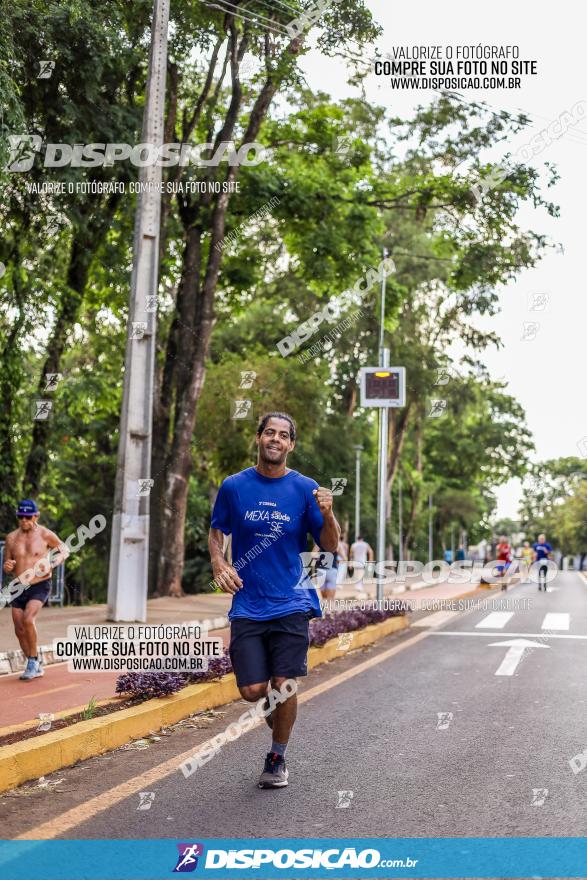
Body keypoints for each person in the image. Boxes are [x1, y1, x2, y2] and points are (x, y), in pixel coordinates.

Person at [208, 412, 340, 789]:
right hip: (248, 603)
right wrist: (219, 561)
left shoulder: (305, 488)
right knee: (252, 690)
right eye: (270, 432)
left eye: (284, 435)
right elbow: (217, 531)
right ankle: (274, 710)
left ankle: (277, 756)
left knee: (284, 684)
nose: (276, 440)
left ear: (291, 444)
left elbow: (329, 545)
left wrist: (328, 513)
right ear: (259, 438)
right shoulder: (234, 486)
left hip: (292, 601)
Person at [3, 499, 68, 680]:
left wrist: (53, 563)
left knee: (28, 619)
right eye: (20, 517)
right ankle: (34, 661)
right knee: (19, 629)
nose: (24, 520)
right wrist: (8, 566)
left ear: (36, 516)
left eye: (27, 516)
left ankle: (31, 662)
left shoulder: (45, 535)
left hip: (40, 584)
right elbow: (7, 564)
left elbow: (64, 550)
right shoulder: (11, 538)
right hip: (18, 586)